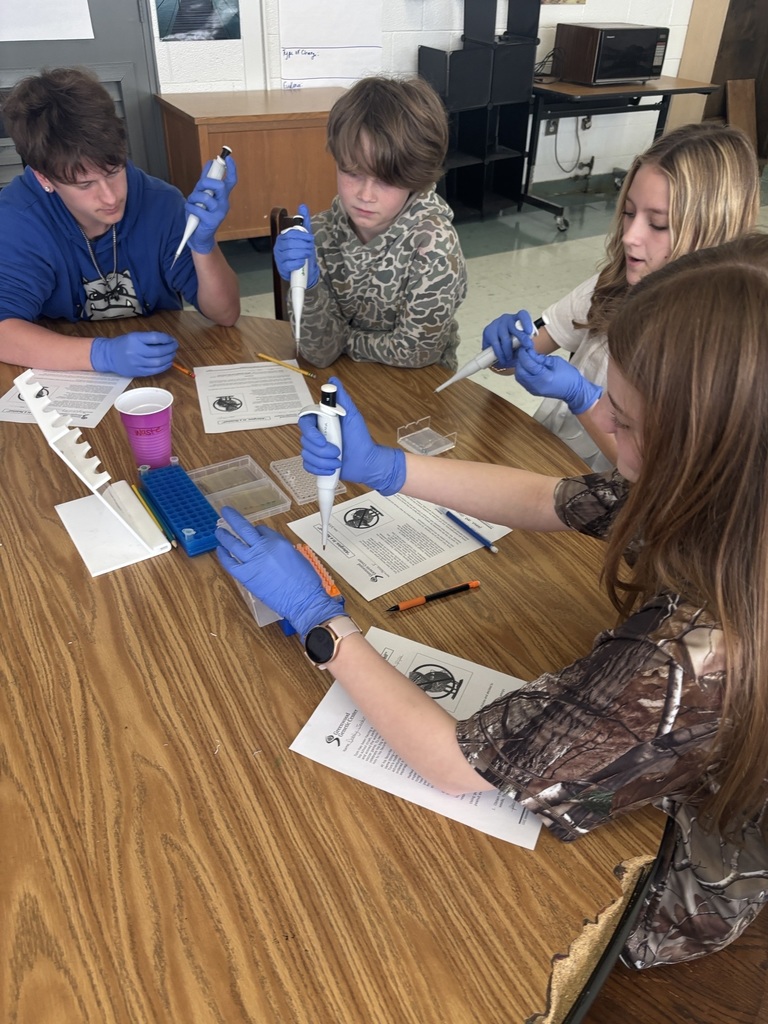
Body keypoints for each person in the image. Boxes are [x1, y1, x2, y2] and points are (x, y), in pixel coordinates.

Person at [216, 232, 768, 968]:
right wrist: (385, 467)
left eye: (626, 424)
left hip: (667, 888)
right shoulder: (737, 499)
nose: (609, 436)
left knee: (408, 904)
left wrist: (324, 625)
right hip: (684, 762)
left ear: (710, 445)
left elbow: (455, 763)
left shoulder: (687, 660)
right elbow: (555, 497)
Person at [480, 121, 760, 471]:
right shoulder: (614, 282)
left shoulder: (716, 345)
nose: (630, 236)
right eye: (629, 213)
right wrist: (505, 351)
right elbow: (529, 347)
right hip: (553, 461)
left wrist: (583, 400)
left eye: (658, 224)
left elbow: (648, 475)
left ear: (714, 228)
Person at [0, 67, 240, 376]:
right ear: (44, 178)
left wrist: (204, 246)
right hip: (61, 371)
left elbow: (226, 314)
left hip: (162, 371)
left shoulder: (162, 203)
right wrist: (102, 355)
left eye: (114, 172)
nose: (111, 197)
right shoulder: (17, 220)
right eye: (85, 185)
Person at [272, 75, 467, 371]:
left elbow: (416, 353)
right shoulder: (321, 234)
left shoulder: (434, 243)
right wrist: (307, 287)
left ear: (416, 179)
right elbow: (318, 352)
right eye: (352, 172)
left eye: (386, 180)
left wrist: (343, 339)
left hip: (418, 386)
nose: (365, 195)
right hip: (345, 379)